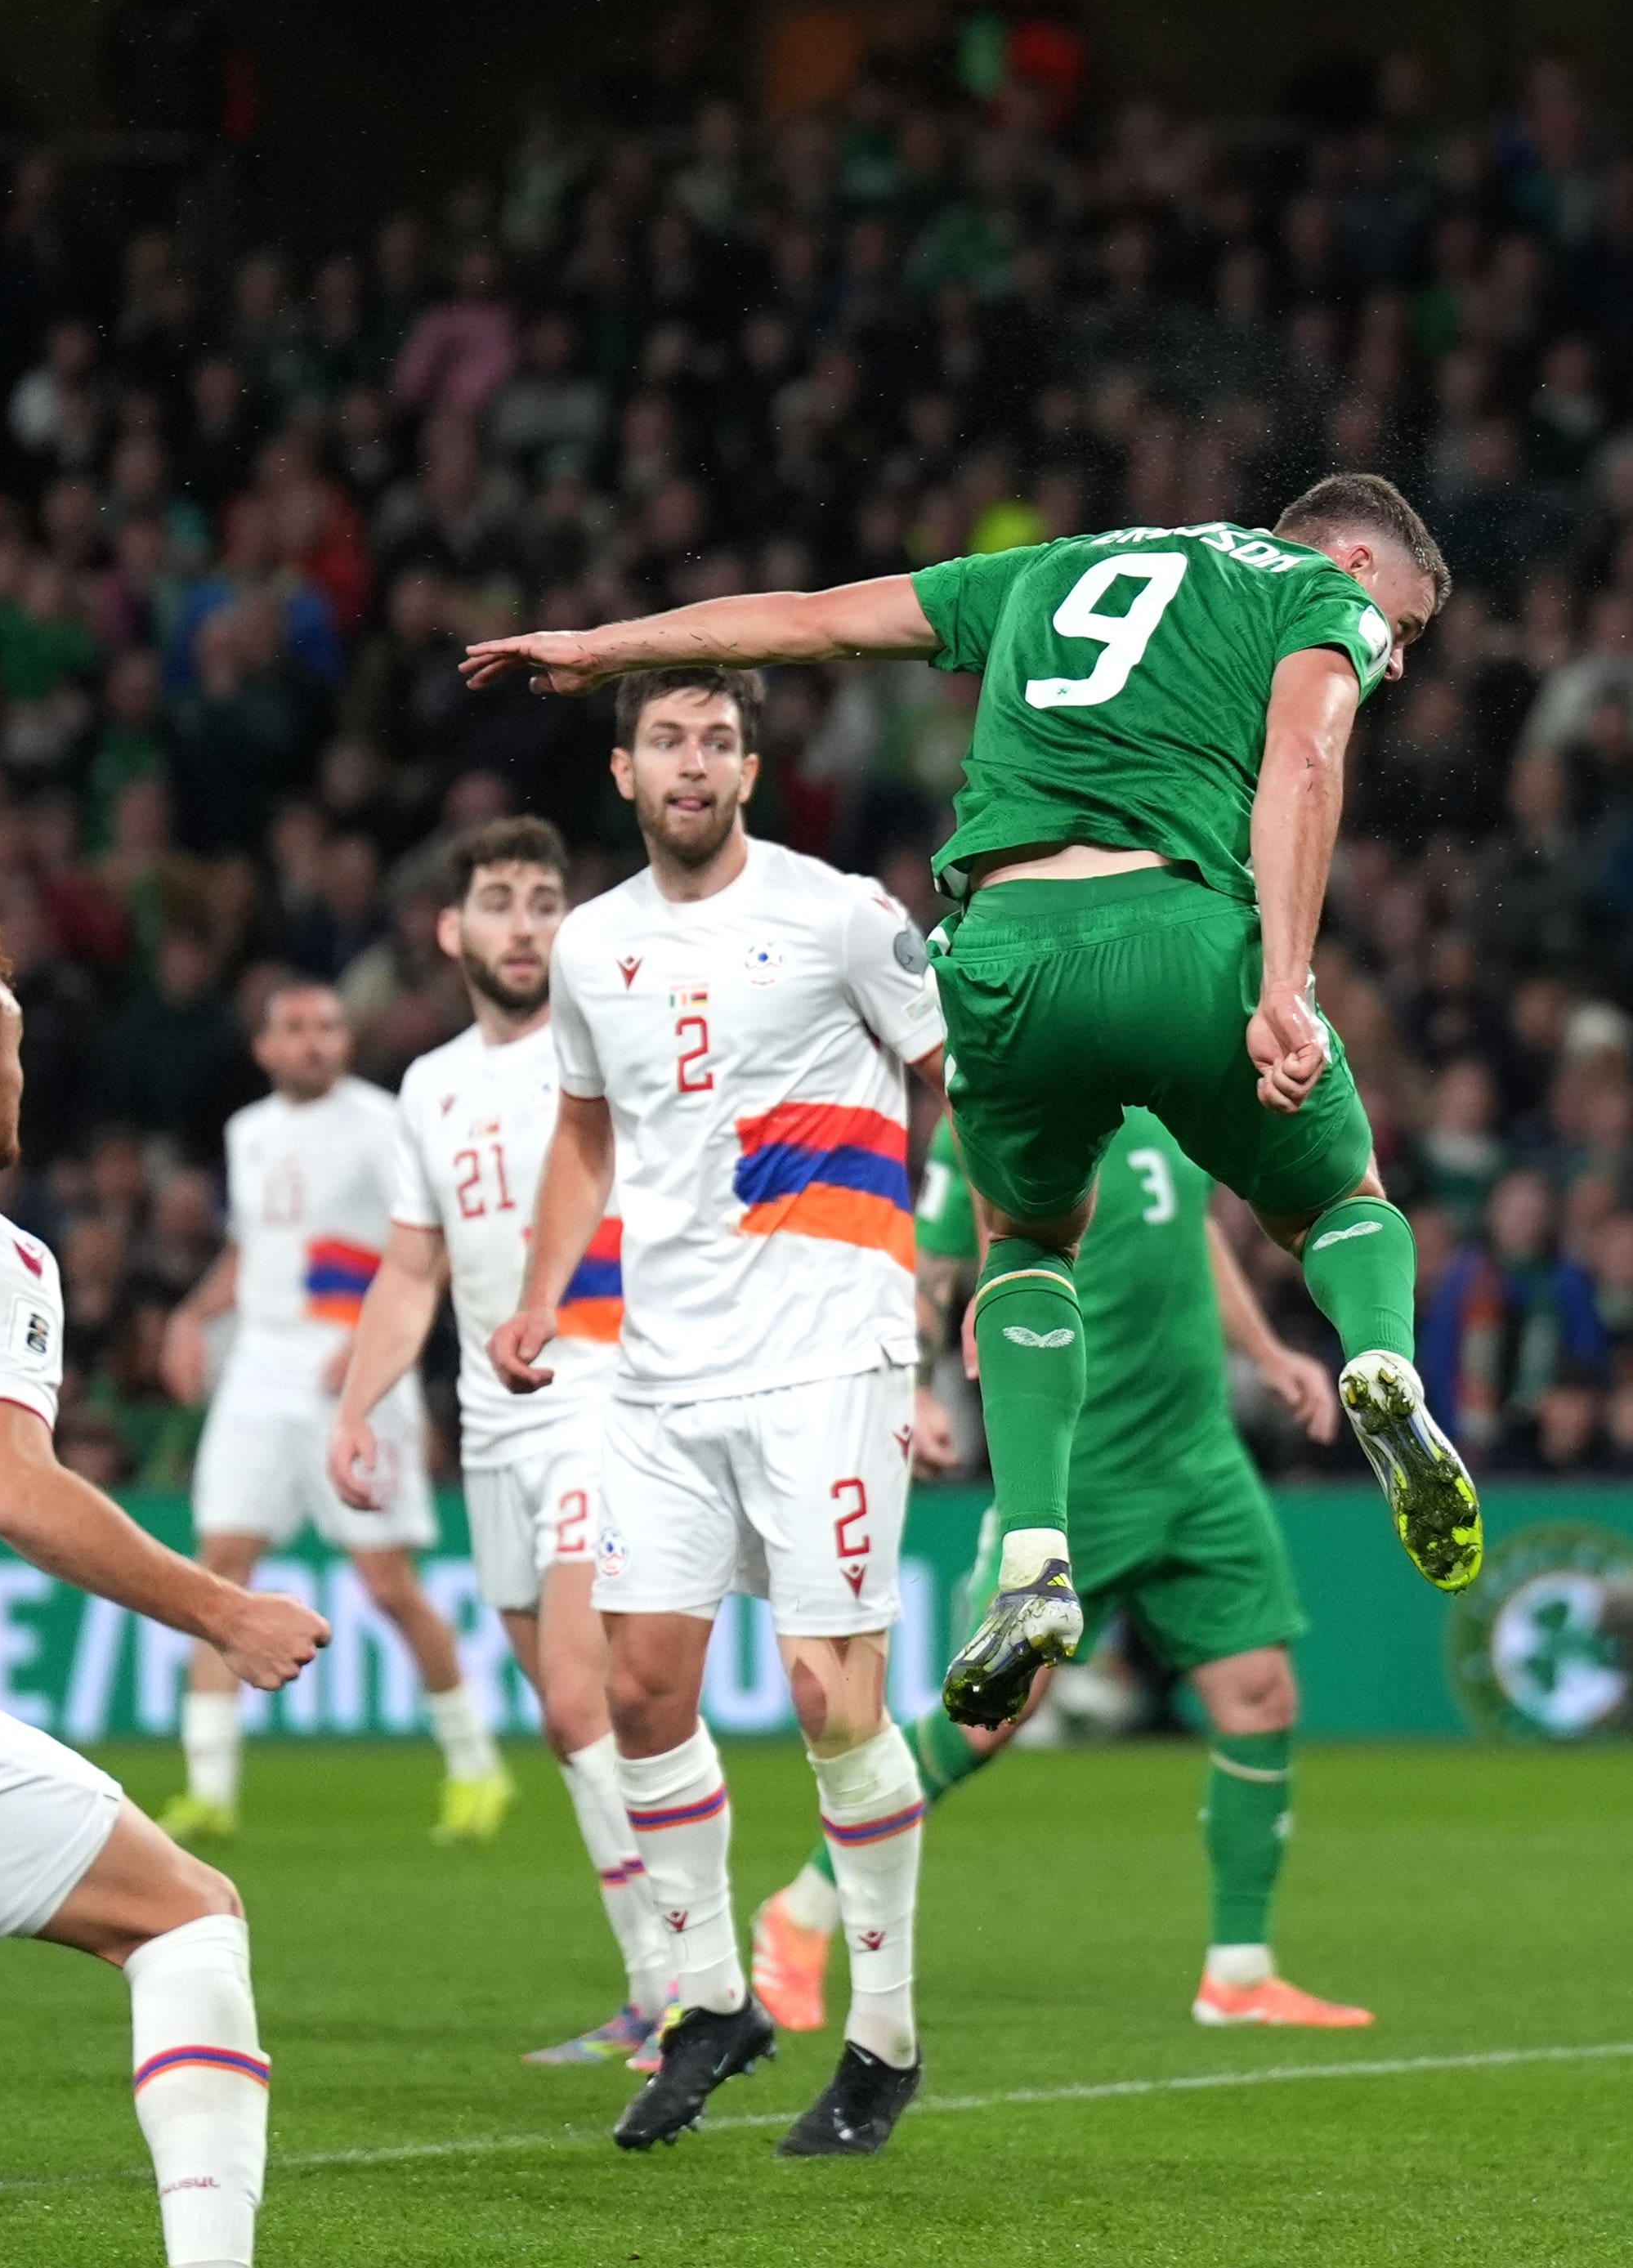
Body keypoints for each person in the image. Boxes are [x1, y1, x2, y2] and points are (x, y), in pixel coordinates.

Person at [464, 477, 1478, 1738]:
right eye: (1411, 626)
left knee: (1025, 1238)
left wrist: (602, 647)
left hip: (1000, 954)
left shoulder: (1041, 573)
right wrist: (1282, 981)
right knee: (1337, 1200)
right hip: (1182, 939)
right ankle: (1379, 1356)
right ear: (1355, 554)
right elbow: (1308, 756)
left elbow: (808, 622)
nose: (1400, 656)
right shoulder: (1316, 593)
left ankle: (1035, 1553)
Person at [0, 910, 368, 2268]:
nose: (22, 1068)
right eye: (12, 1044)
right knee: (187, 1913)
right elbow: (16, 1493)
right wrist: (226, 1607)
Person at [488, 667, 951, 2158]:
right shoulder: (591, 947)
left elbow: (953, 1075)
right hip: (659, 1369)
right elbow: (580, 1132)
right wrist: (541, 1291)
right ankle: (712, 2005)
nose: (694, 762)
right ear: (623, 773)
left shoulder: (841, 916)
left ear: (752, 768)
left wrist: (926, 1244)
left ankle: (880, 2036)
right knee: (639, 1694)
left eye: (719, 740)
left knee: (830, 1694)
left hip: (828, 1351)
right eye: (667, 741)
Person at [747, 1107, 1375, 2036]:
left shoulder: (1168, 1092)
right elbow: (935, 1267)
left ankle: (1239, 1972)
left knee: (1259, 1692)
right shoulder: (1002, 1111)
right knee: (995, 1712)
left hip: (1198, 1456)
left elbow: (1189, 1228)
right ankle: (801, 1909)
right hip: (1078, 1466)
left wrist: (1267, 1350)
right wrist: (915, 1385)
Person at [324, 817, 673, 2069]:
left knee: (592, 1698)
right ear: (451, 929)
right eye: (499, 901)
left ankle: (698, 1983)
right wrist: (358, 1406)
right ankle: (658, 1986)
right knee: (568, 1716)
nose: (522, 922)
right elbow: (412, 1265)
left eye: (542, 900)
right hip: (490, 1424)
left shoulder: (611, 1052)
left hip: (606, 1396)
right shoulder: (428, 1084)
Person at [156, 981, 493, 1849]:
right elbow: (251, 1252)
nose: (314, 1042)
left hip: (349, 1374)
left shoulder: (382, 1121)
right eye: (296, 1029)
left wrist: (376, 1339)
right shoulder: (248, 1131)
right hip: (258, 1369)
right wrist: (194, 1314)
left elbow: (434, 1241)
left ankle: (475, 1766)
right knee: (220, 1566)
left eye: (329, 1027)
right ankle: (209, 1788)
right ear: (265, 1047)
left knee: (386, 1582)